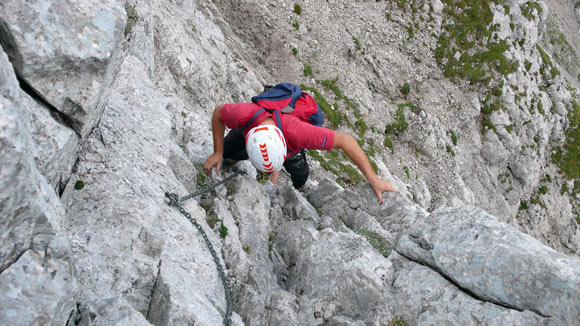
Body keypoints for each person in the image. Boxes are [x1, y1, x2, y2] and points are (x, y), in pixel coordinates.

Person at [204, 102, 398, 204]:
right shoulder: (244, 115)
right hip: (259, 128)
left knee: (300, 174)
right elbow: (218, 113)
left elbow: (346, 141)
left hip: (290, 137)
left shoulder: (300, 134)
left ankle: (299, 188)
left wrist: (374, 179)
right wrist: (218, 152)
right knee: (229, 150)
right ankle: (232, 153)